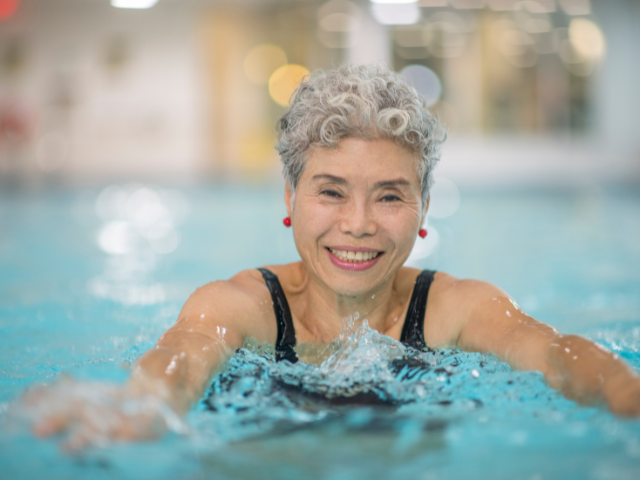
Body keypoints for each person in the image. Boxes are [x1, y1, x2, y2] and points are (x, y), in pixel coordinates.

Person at [24, 64, 640, 449]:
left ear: (424, 208)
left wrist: (626, 392)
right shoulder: (241, 308)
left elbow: (559, 357)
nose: (358, 225)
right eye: (331, 191)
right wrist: (138, 409)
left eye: (390, 195)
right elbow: (180, 365)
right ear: (290, 195)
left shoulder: (457, 308)